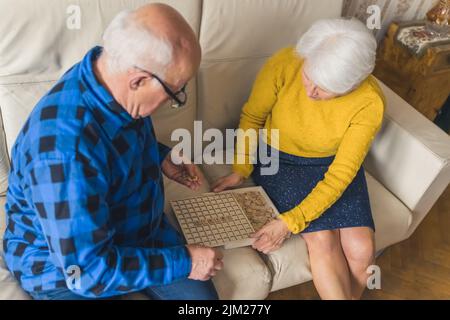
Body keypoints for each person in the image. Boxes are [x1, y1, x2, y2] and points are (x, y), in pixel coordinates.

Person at [3, 3, 223, 300]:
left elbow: (108, 151)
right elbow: (88, 275)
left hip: (138, 235)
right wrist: (186, 261)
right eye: (176, 92)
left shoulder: (107, 74)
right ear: (139, 80)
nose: (177, 98)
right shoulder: (64, 152)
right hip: (67, 270)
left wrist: (161, 156)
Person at [212, 18, 385, 300]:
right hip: (278, 159)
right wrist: (241, 168)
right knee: (321, 238)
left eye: (325, 89)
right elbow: (253, 116)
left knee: (362, 248)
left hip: (332, 166)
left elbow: (341, 174)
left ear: (353, 84)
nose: (311, 92)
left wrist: (289, 222)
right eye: (309, 78)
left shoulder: (369, 101)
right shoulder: (285, 62)